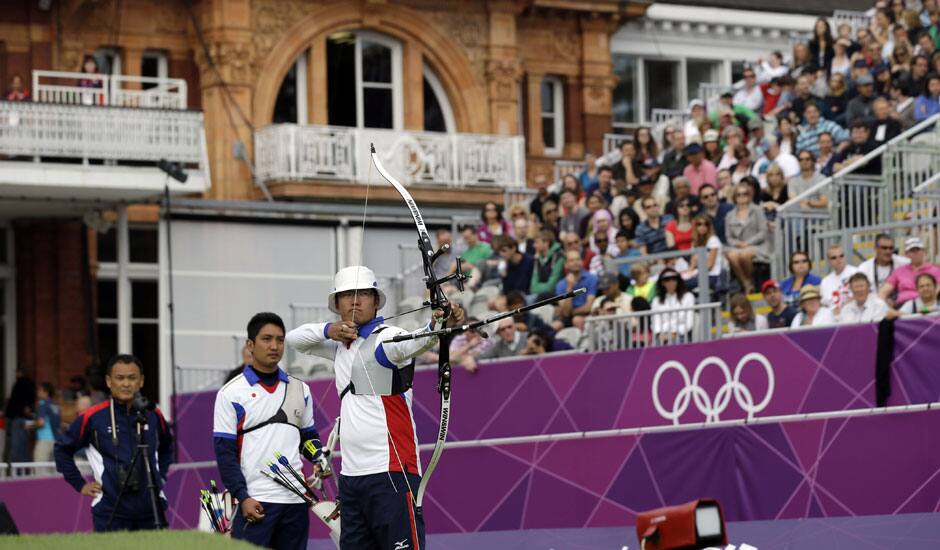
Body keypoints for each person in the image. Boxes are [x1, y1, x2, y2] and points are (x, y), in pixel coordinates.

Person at [286, 266, 466, 549]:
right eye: (346, 296)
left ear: (374, 300)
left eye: (362, 294)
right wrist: (328, 330)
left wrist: (438, 324)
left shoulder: (387, 337)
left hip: (392, 472)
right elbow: (293, 339)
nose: (354, 301)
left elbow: (417, 341)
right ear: (337, 304)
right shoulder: (337, 346)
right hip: (351, 478)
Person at [213, 313, 323, 549]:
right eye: (266, 339)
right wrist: (243, 497)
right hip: (255, 502)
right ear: (250, 345)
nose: (274, 346)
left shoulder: (300, 388)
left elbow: (307, 438)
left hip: (296, 501)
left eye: (280, 340)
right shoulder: (230, 393)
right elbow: (225, 454)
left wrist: (318, 457)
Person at [54, 354, 174, 532]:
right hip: (110, 511)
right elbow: (62, 450)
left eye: (132, 378)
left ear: (141, 381)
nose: (126, 384)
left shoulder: (153, 414)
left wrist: (160, 476)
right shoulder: (93, 417)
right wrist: (79, 484)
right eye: (120, 378)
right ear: (109, 381)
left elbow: (166, 446)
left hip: (152, 509)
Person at [724, 183, 770, 294]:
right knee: (732, 255)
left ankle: (750, 282)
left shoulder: (757, 211)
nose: (742, 197)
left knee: (745, 254)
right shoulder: (729, 215)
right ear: (735, 197)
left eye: (745, 194)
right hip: (738, 246)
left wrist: (748, 243)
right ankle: (747, 283)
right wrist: (738, 243)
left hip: (757, 245)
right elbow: (729, 237)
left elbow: (763, 232)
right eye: (739, 194)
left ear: (750, 196)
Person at [879, 237, 940, 306]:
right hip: (902, 306)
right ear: (907, 254)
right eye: (912, 251)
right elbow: (883, 292)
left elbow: (938, 291)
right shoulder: (899, 271)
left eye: (918, 250)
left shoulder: (935, 270)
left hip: (928, 304)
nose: (915, 253)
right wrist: (884, 303)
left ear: (924, 252)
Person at [552, 250, 598, 330]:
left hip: (586, 316)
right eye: (572, 260)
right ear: (566, 265)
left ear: (582, 262)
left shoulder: (592, 278)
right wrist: (569, 288)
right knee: (555, 326)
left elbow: (588, 307)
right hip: (567, 318)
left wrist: (571, 312)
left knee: (576, 320)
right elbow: (566, 312)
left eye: (578, 259)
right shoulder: (560, 285)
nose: (576, 262)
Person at [682, 214, 724, 294]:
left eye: (706, 224)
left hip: (712, 276)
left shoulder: (713, 240)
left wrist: (694, 272)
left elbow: (709, 266)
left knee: (682, 284)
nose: (703, 226)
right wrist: (685, 272)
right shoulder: (694, 242)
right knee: (676, 280)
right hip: (698, 274)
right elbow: (692, 265)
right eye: (699, 224)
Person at [651, 268, 695, 343]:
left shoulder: (688, 296)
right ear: (662, 283)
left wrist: (675, 333)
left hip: (681, 335)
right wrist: (659, 334)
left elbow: (689, 323)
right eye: (667, 280)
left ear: (678, 281)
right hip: (662, 337)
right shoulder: (656, 300)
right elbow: (655, 322)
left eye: (674, 279)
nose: (671, 282)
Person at [819, 245, 860, 309]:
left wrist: (842, 308)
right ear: (829, 261)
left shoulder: (856, 273)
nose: (838, 260)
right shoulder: (825, 281)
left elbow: (861, 295)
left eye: (841, 256)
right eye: (834, 258)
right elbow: (824, 304)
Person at [529, 229, 564, 301]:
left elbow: (551, 286)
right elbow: (532, 287)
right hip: (538, 296)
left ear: (546, 243)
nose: (534, 245)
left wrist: (538, 288)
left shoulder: (559, 257)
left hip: (555, 296)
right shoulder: (537, 258)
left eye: (537, 242)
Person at [33, 383, 62, 469]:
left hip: (44, 440)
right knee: (52, 471)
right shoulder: (56, 405)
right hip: (56, 440)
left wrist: (30, 426)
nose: (37, 392)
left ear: (45, 392)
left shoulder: (42, 404)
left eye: (39, 390)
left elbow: (41, 423)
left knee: (40, 470)